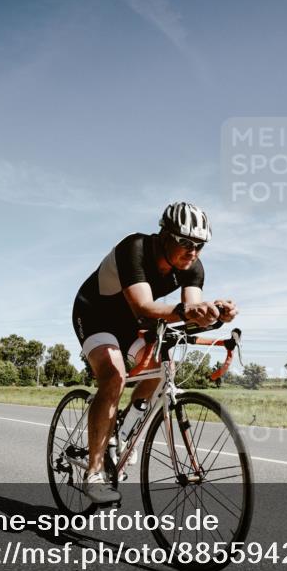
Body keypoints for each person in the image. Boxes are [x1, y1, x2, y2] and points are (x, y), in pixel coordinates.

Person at [71, 202, 238, 503]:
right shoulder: (134, 249)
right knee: (113, 377)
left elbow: (190, 313)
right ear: (164, 235)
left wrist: (214, 314)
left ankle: (122, 432)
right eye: (185, 242)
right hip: (95, 315)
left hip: (132, 325)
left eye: (200, 245)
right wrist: (188, 311)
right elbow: (144, 307)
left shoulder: (193, 267)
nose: (193, 252)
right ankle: (94, 473)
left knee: (163, 370)